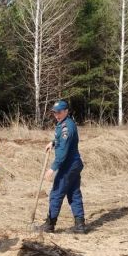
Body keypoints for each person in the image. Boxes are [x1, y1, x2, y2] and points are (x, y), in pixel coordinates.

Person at [40, 100, 86, 234]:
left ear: (66, 111)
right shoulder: (65, 124)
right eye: (54, 112)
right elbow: (62, 141)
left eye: (59, 112)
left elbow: (63, 151)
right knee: (74, 193)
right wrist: (53, 142)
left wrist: (52, 168)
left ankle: (49, 225)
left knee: (56, 193)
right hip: (74, 164)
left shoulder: (67, 127)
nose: (56, 115)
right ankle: (80, 225)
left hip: (69, 165)